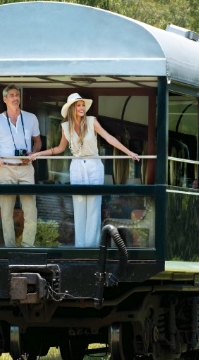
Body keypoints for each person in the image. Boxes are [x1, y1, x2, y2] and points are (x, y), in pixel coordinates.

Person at [30, 92, 139, 247]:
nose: (81, 108)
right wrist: (38, 154)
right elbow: (59, 148)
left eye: (82, 105)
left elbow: (109, 138)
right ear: (71, 109)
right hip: (77, 166)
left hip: (94, 164)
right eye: (78, 105)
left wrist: (129, 153)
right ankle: (80, 246)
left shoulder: (91, 121)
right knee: (79, 205)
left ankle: (92, 246)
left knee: (93, 205)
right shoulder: (65, 127)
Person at [0, 85, 42, 247]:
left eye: (17, 95)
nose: (15, 98)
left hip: (26, 168)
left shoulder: (31, 117)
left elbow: (38, 141)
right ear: (5, 99)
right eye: (11, 95)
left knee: (31, 210)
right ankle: (9, 248)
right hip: (5, 169)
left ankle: (28, 246)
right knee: (6, 212)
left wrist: (33, 153)